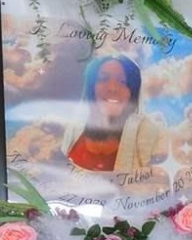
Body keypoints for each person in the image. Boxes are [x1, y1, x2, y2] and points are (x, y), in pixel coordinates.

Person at [62, 53, 177, 194]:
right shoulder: (74, 128)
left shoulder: (148, 132)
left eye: (123, 82)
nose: (113, 88)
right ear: (91, 88)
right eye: (103, 79)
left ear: (133, 93)